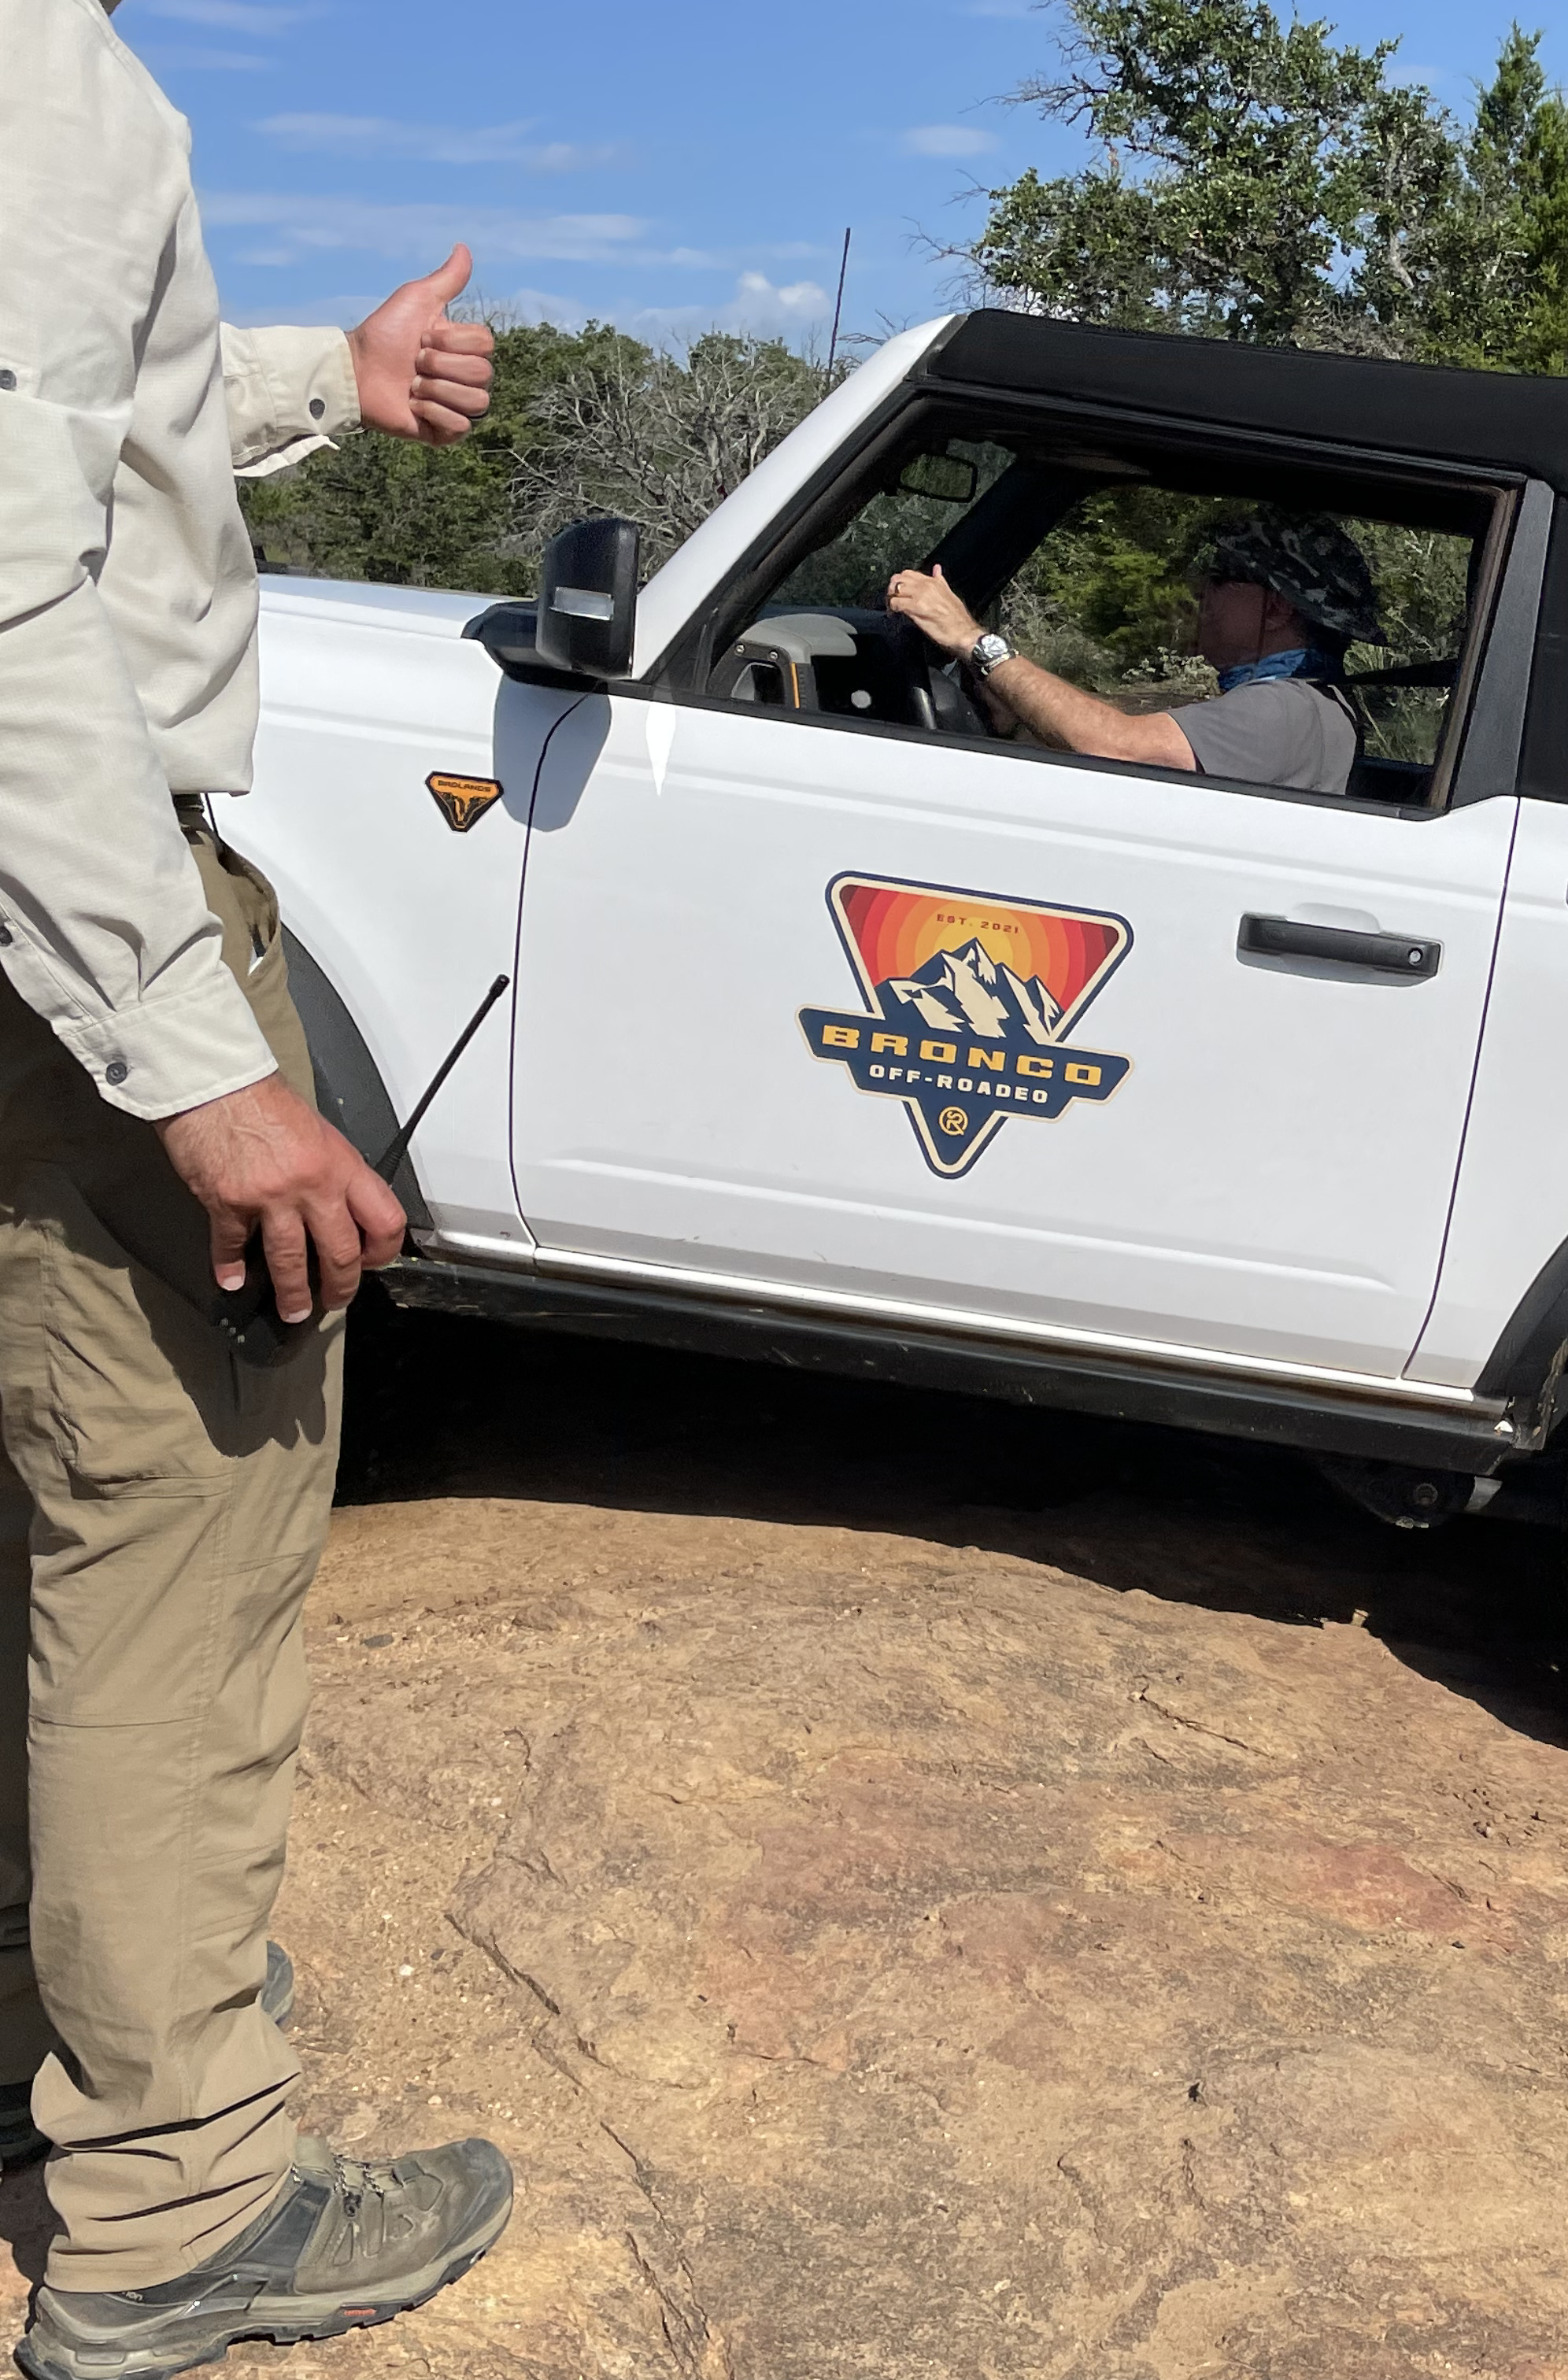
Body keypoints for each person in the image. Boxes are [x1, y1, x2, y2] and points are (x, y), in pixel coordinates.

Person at [1, 4, 510, 2373]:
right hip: (79, 931)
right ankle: (176, 2197)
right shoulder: (39, 67)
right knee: (170, 1535)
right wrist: (199, 1062)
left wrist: (325, 374)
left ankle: (52, 2040)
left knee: (39, 1507)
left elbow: (78, 417)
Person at [888, 508, 1386, 796]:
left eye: (1221, 577)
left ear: (1275, 608)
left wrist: (974, 642)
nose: (1201, 591)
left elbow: (1118, 746)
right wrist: (1017, 725)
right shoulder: (1314, 702)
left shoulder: (1283, 708)